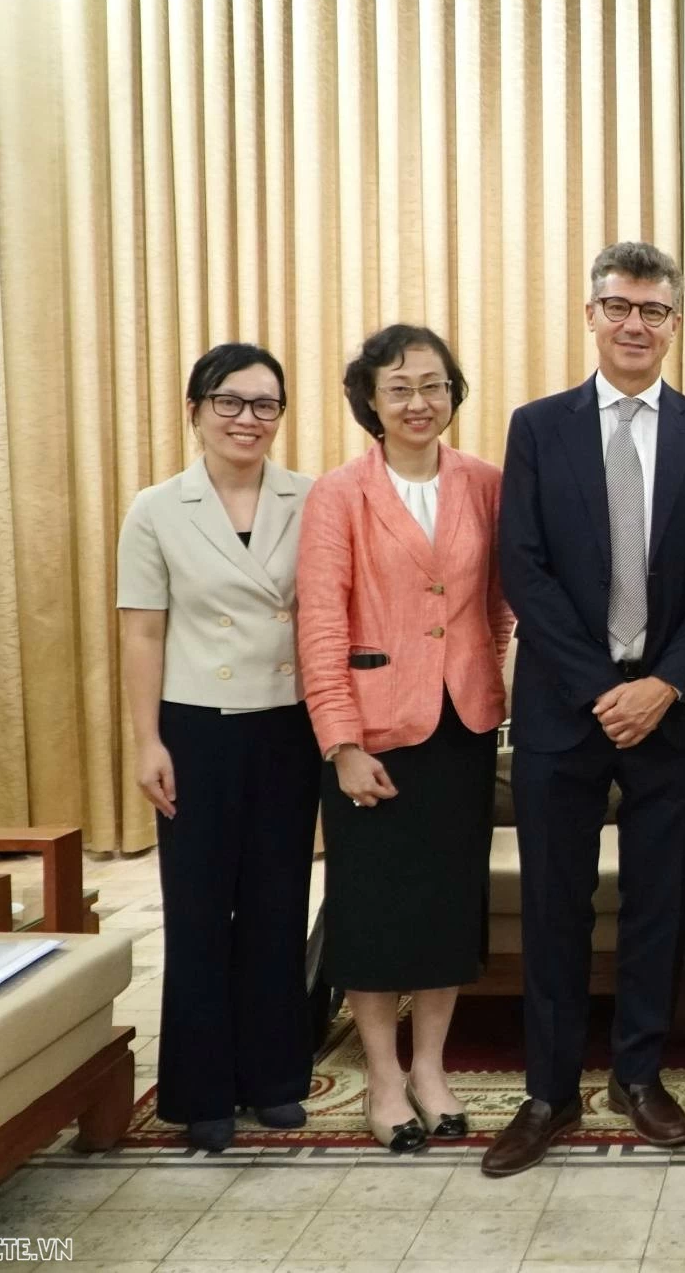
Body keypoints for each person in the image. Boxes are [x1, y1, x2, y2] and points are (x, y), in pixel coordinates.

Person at [485, 242, 685, 1176]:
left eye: (654, 310)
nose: (635, 324)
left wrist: (662, 684)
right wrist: (603, 688)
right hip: (565, 711)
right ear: (591, 313)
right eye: (619, 305)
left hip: (671, 712)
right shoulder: (538, 427)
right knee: (555, 904)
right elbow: (525, 567)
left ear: (676, 324)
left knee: (656, 907)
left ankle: (640, 1075)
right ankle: (548, 1092)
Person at [296, 324, 514, 1153]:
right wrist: (341, 740)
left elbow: (497, 602)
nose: (420, 402)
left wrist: (488, 674)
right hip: (372, 734)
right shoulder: (339, 494)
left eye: (434, 385)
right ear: (371, 401)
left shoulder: (484, 482)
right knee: (374, 909)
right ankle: (383, 1077)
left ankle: (431, 1067)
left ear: (453, 392)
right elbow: (319, 624)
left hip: (460, 724)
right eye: (400, 388)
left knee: (447, 907)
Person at [116, 343, 320, 1153]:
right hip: (196, 724)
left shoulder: (311, 497)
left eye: (265, 404)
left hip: (287, 720)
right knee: (199, 909)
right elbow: (141, 630)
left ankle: (274, 1078)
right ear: (196, 410)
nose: (248, 419)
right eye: (230, 402)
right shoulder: (158, 507)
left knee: (277, 904)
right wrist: (146, 741)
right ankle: (201, 1087)